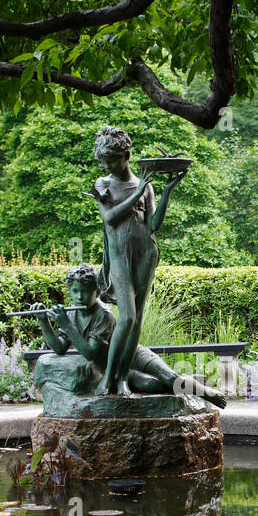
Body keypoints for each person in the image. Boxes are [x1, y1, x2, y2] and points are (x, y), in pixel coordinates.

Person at [33, 264, 227, 407]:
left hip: (133, 355)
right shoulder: (71, 314)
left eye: (84, 292)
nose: (79, 297)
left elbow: (90, 352)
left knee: (168, 378)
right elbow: (59, 347)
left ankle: (204, 391)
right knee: (153, 385)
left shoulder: (103, 315)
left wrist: (67, 326)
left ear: (97, 291)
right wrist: (44, 321)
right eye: (75, 291)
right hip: (115, 370)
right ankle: (188, 381)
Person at [89, 125, 186, 396]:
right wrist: (137, 191)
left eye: (111, 159)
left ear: (126, 156)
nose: (106, 164)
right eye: (103, 160)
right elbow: (109, 218)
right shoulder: (104, 185)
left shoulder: (146, 187)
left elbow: (153, 224)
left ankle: (121, 379)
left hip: (146, 255)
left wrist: (166, 191)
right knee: (127, 317)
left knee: (137, 319)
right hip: (120, 259)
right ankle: (107, 377)